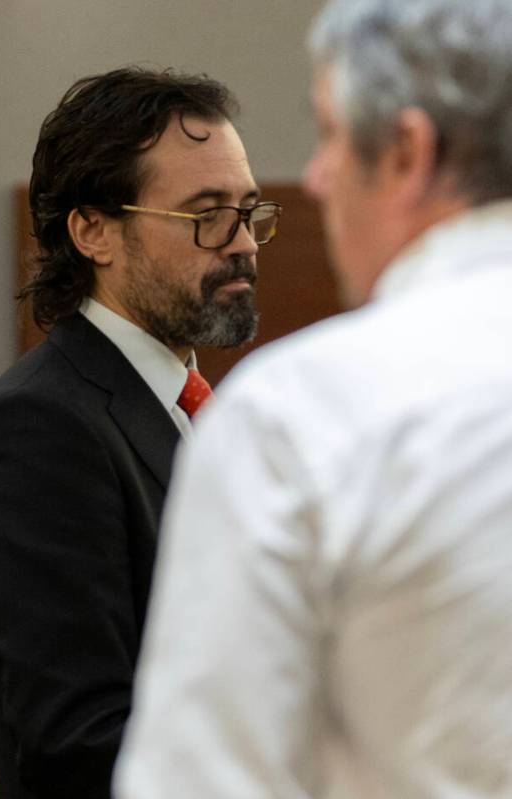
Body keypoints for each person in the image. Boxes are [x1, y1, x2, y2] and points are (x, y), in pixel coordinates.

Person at [114, 1, 512, 797]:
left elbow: (204, 778)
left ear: (406, 150)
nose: (318, 177)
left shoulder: (302, 415)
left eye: (329, 134)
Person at [0, 67, 280, 799]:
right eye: (205, 214)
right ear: (92, 229)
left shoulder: (202, 408)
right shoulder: (39, 427)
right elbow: (80, 739)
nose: (242, 244)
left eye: (248, 211)